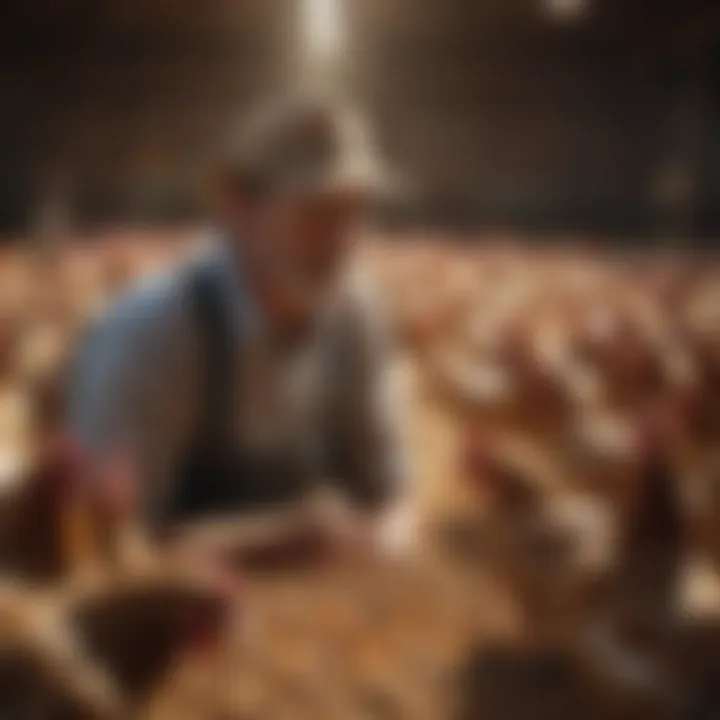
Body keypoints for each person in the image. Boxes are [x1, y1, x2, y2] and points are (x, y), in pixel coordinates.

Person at [68, 94, 410, 552]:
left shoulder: (355, 313)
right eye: (317, 211)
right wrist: (277, 541)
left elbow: (390, 484)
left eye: (352, 211)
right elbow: (103, 543)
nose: (343, 238)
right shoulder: (152, 337)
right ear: (239, 209)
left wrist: (386, 533)